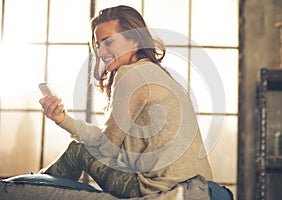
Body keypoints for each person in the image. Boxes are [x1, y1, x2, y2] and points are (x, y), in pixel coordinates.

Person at [39, 5, 231, 199]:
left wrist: (64, 122)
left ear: (134, 42)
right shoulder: (156, 73)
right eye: (98, 45)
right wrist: (62, 119)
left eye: (109, 42)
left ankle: (24, 188)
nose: (101, 52)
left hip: (162, 190)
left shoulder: (130, 74)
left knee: (77, 150)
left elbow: (106, 147)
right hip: (202, 187)